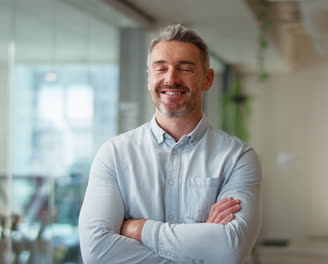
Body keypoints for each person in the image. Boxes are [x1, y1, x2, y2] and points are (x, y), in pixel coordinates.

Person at [78, 24, 262, 263]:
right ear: (149, 78)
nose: (171, 78)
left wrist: (139, 229)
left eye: (185, 69)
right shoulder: (114, 154)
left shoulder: (237, 157)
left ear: (207, 79)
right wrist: (202, 248)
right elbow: (97, 252)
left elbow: (230, 250)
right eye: (160, 68)